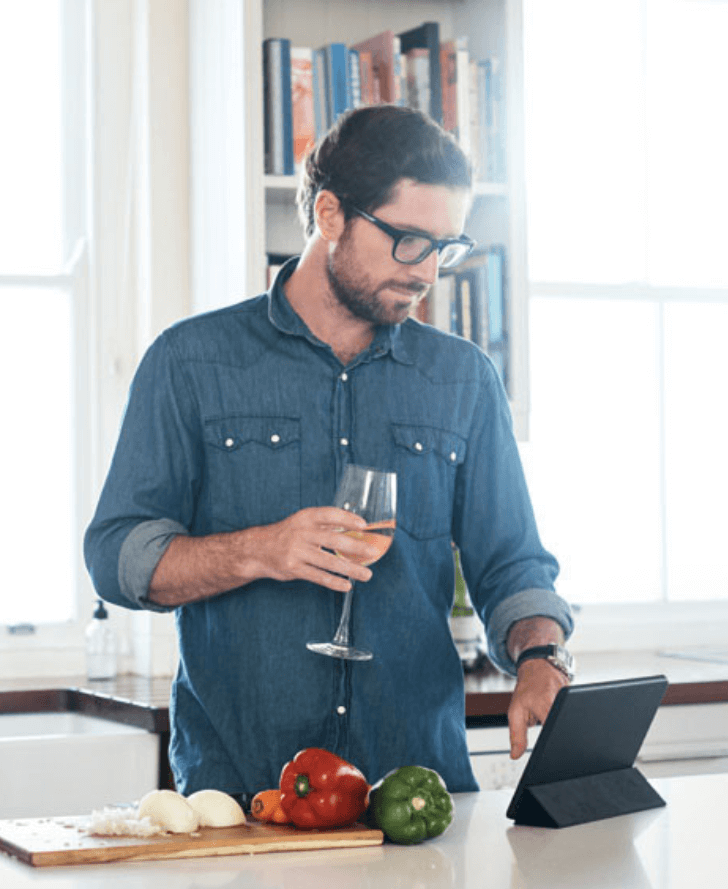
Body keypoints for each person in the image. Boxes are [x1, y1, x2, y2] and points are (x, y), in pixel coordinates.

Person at [85, 105, 574, 800]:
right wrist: (259, 550)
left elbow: (514, 564)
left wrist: (541, 656)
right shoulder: (190, 361)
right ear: (331, 213)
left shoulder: (463, 378)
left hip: (418, 791)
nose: (428, 270)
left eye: (445, 246)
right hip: (242, 794)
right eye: (408, 240)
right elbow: (116, 556)